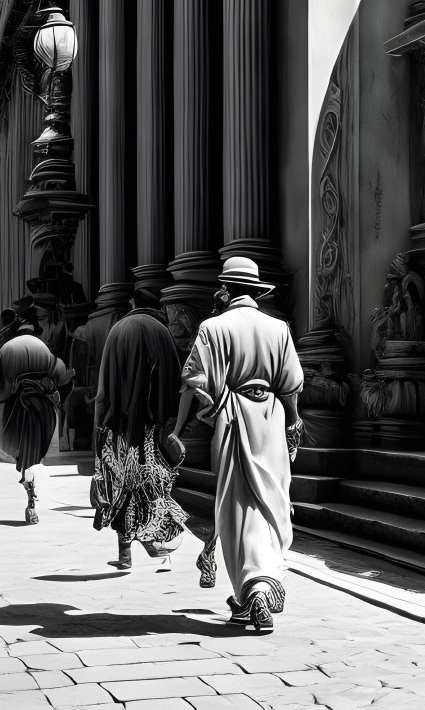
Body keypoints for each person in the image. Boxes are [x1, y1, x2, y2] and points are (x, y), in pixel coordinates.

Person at [173, 257, 304, 633]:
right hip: (272, 421)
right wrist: (292, 419)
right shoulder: (278, 328)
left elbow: (194, 380)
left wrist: (210, 410)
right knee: (270, 502)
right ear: (257, 291)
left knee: (237, 506)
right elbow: (292, 385)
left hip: (233, 418)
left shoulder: (213, 327)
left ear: (227, 289)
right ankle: (254, 592)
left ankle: (255, 590)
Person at [91, 292, 187, 571]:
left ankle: (125, 554)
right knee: (154, 486)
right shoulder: (164, 332)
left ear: (132, 304)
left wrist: (97, 434)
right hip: (154, 430)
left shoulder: (118, 330)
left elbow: (102, 394)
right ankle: (156, 542)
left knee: (121, 488)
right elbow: (175, 384)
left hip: (118, 427)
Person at [0, 312, 70, 523]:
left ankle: (30, 495)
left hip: (17, 411)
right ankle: (32, 496)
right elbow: (61, 376)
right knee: (34, 458)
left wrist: (10, 391)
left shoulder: (7, 349)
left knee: (24, 457)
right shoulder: (43, 348)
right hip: (42, 410)